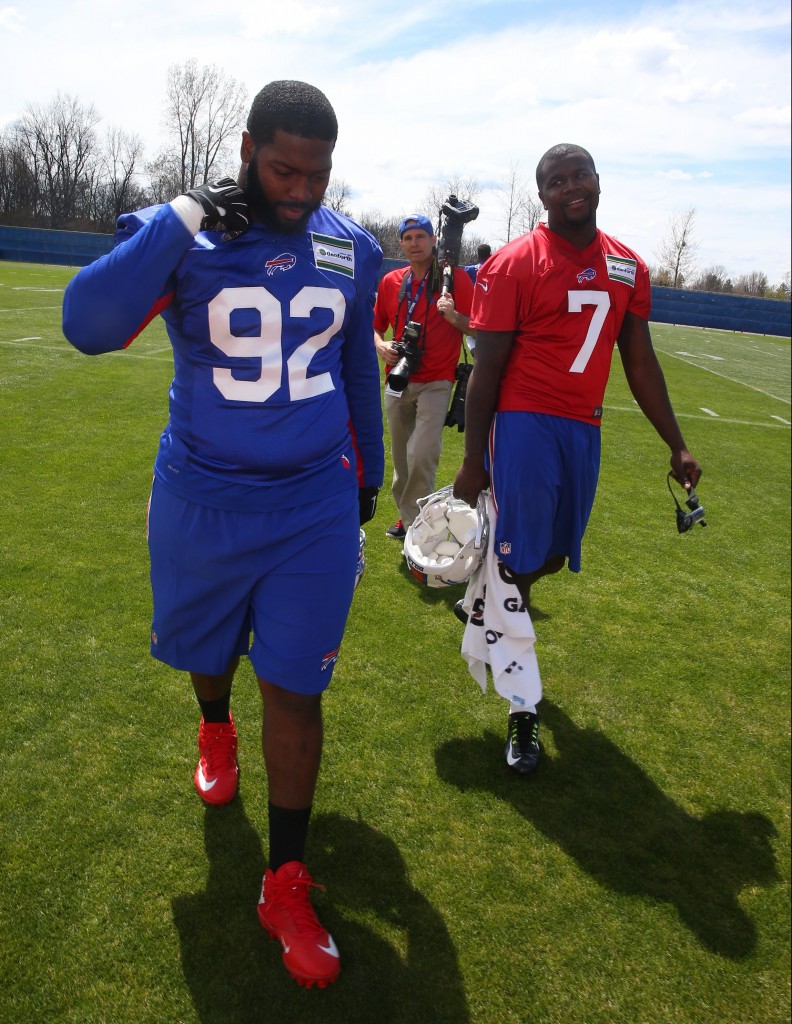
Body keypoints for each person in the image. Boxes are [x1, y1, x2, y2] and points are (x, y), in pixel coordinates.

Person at [62, 80, 384, 990]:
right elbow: (86, 324)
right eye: (283, 168)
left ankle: (284, 880)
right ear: (247, 148)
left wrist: (363, 481)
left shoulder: (342, 239)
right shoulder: (191, 232)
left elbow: (356, 358)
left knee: (296, 686)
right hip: (203, 497)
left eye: (317, 174)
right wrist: (186, 206)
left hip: (312, 507)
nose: (300, 190)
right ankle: (214, 727)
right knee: (213, 655)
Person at [452, 143, 702, 776]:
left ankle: (490, 603)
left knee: (552, 558)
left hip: (582, 429)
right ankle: (521, 708)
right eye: (556, 181)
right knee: (519, 563)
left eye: (579, 176)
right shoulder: (514, 262)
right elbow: (486, 370)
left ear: (597, 181)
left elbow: (639, 362)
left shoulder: (626, 265)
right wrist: (473, 458)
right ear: (542, 195)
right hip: (524, 425)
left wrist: (676, 443)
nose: (571, 188)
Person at [374, 213, 475, 540]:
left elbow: (480, 327)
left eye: (421, 236)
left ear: (434, 240)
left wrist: (454, 316)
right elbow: (374, 325)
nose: (414, 243)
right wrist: (382, 344)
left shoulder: (456, 280)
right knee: (402, 457)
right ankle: (408, 517)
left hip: (437, 380)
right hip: (398, 378)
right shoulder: (391, 282)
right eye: (408, 238)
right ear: (401, 243)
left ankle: (417, 520)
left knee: (423, 454)